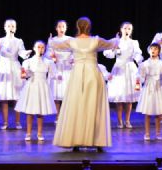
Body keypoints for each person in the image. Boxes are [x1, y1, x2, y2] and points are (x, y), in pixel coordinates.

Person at [48, 17, 119, 151]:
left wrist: (51, 40)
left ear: (77, 27)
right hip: (92, 74)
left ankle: (76, 140)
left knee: (77, 105)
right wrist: (116, 39)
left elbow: (56, 45)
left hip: (78, 75)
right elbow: (111, 44)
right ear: (89, 27)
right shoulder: (95, 40)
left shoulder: (72, 41)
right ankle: (97, 141)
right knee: (93, 105)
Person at [0, 19, 32, 130]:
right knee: (4, 97)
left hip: (15, 67)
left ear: (15, 28)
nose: (11, 28)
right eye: (9, 26)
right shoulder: (0, 40)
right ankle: (5, 122)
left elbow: (21, 53)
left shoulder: (18, 41)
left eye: (13, 26)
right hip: (4, 68)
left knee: (17, 96)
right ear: (5, 27)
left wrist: (26, 53)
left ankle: (17, 121)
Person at [15, 41, 57, 142]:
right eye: (38, 47)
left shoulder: (48, 62)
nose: (40, 49)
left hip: (42, 86)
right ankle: (28, 133)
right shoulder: (28, 61)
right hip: (32, 86)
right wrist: (24, 75)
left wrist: (58, 76)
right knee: (30, 112)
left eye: (42, 47)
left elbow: (54, 74)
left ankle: (39, 133)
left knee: (40, 111)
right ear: (34, 48)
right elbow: (25, 73)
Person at [104, 22, 143, 129]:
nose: (127, 30)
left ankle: (127, 120)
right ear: (121, 29)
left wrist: (141, 64)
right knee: (119, 97)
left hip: (130, 69)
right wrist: (114, 47)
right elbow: (109, 55)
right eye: (125, 28)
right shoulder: (116, 41)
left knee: (129, 97)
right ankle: (119, 121)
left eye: (129, 29)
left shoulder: (134, 42)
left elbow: (137, 55)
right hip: (119, 68)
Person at [135, 43, 162, 141]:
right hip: (148, 87)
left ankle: (158, 133)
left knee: (158, 112)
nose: (153, 50)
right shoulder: (144, 64)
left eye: (155, 49)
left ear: (159, 51)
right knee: (147, 113)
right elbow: (141, 76)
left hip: (158, 87)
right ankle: (147, 133)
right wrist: (138, 80)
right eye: (151, 48)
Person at [45, 20, 73, 122]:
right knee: (56, 94)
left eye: (63, 26)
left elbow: (75, 52)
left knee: (67, 94)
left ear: (66, 28)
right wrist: (52, 56)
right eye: (59, 26)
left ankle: (67, 117)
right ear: (56, 28)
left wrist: (72, 58)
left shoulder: (70, 39)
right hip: (57, 67)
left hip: (67, 68)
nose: (61, 28)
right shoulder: (53, 40)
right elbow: (47, 53)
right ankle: (58, 117)